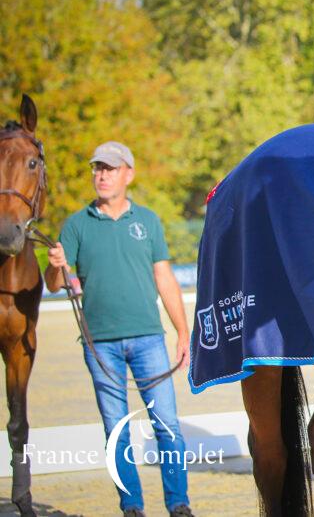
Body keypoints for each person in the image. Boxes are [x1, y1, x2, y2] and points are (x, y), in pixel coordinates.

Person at [44, 141, 194, 517]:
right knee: (116, 431)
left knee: (167, 425)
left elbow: (164, 277)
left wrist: (183, 331)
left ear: (128, 173)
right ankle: (131, 507)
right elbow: (54, 283)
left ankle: (178, 504)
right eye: (97, 168)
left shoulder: (148, 222)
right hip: (100, 346)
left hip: (148, 339)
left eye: (110, 168)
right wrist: (55, 264)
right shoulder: (76, 225)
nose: (102, 175)